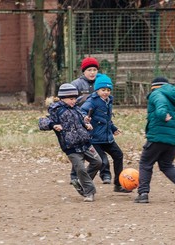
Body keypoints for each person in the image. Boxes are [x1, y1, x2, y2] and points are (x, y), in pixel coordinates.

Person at [134, 77, 175, 204]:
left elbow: (160, 105)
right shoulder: (171, 95)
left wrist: (163, 114)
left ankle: (143, 193)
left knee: (145, 163)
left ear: (154, 86)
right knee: (166, 165)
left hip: (157, 136)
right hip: (173, 139)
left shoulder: (157, 93)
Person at [39, 84, 102, 202]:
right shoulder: (56, 110)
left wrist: (86, 123)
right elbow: (43, 122)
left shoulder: (76, 108)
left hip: (85, 142)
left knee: (98, 162)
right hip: (70, 147)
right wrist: (53, 125)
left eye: (75, 98)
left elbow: (81, 119)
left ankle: (80, 183)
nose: (74, 101)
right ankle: (89, 192)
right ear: (63, 98)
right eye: (71, 99)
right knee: (81, 169)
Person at [81, 74, 131, 193]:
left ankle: (118, 185)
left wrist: (113, 128)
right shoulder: (92, 101)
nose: (106, 92)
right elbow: (82, 111)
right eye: (103, 90)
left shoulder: (109, 101)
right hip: (95, 139)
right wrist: (85, 118)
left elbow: (106, 119)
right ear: (97, 90)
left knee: (118, 155)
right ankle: (84, 185)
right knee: (101, 162)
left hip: (107, 138)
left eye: (108, 90)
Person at [69, 57, 111, 185]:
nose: (92, 72)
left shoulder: (102, 82)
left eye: (94, 69)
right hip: (81, 122)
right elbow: (70, 101)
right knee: (80, 148)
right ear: (83, 71)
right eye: (89, 70)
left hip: (97, 123)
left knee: (101, 146)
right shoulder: (76, 84)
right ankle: (74, 175)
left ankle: (105, 174)